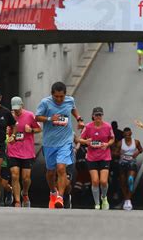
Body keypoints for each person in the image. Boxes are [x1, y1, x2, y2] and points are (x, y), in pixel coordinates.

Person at [36, 81, 85, 209]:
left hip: (66, 141)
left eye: (61, 97)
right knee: (50, 172)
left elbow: (73, 109)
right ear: (52, 94)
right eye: (56, 96)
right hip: (49, 143)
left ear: (65, 95)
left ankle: (60, 197)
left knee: (61, 168)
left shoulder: (69, 101)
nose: (59, 99)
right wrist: (49, 119)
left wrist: (79, 119)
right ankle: (53, 192)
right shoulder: (45, 103)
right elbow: (37, 117)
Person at [8, 96, 41, 207]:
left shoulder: (30, 115)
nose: (16, 111)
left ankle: (25, 193)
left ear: (22, 105)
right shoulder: (9, 116)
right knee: (14, 175)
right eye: (14, 108)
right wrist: (9, 135)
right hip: (13, 150)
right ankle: (17, 201)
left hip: (27, 151)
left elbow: (39, 129)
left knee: (26, 178)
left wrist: (31, 130)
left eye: (18, 108)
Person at [78, 107, 114, 210]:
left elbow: (112, 139)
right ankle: (97, 203)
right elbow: (80, 139)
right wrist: (86, 142)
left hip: (104, 156)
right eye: (96, 115)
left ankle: (104, 197)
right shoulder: (88, 127)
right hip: (92, 157)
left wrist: (107, 144)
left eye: (100, 115)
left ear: (102, 116)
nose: (98, 117)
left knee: (103, 181)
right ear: (93, 116)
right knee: (95, 181)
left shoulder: (107, 126)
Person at [117, 127, 143, 210]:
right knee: (123, 182)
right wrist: (119, 153)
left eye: (129, 135)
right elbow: (114, 152)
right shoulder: (120, 143)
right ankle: (126, 199)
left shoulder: (136, 142)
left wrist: (137, 153)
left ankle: (128, 200)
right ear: (123, 135)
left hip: (132, 162)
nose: (127, 136)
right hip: (122, 163)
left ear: (131, 134)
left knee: (130, 180)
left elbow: (141, 149)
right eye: (126, 135)